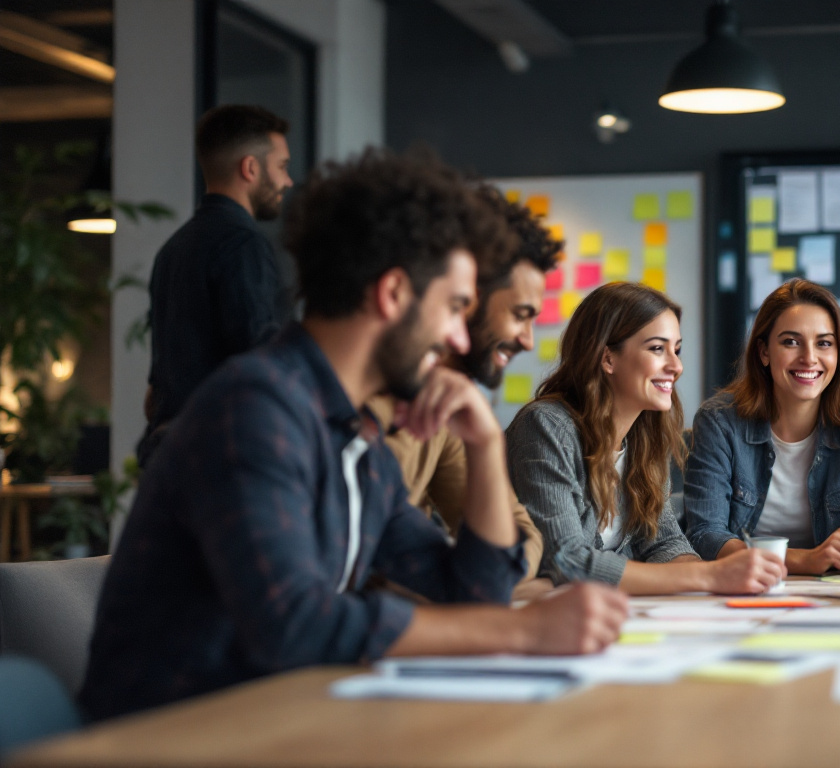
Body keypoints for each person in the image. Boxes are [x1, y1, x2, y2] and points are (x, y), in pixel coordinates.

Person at [81, 149, 628, 722]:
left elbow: (475, 590)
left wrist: (485, 443)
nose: (459, 339)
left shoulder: (355, 438)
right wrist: (520, 633)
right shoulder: (254, 408)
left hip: (275, 726)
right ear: (393, 294)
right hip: (165, 738)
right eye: (453, 308)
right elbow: (293, 624)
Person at [505, 282, 785, 595]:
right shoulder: (545, 427)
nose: (676, 366)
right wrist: (709, 577)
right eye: (657, 349)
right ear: (607, 358)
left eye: (676, 349)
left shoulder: (645, 437)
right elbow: (566, 561)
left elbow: (665, 544)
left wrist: (720, 576)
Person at [372, 186, 557, 580]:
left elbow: (516, 546)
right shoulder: (338, 411)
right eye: (520, 315)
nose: (528, 340)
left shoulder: (447, 401)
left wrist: (487, 442)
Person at [684, 279, 840, 575]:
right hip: (744, 589)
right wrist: (802, 559)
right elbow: (706, 536)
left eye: (824, 343)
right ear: (764, 352)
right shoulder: (719, 421)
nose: (809, 358)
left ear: (838, 352)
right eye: (791, 342)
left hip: (835, 596)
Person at [138, 105, 294, 468]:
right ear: (250, 168)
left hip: (166, 457)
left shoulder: (172, 251)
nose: (288, 181)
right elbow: (259, 363)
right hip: (220, 458)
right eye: (282, 166)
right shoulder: (243, 244)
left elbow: (155, 392)